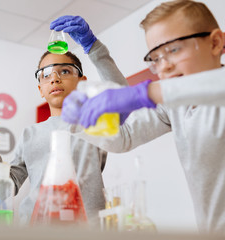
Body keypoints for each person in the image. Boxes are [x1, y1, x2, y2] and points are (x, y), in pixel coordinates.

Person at [53, 0, 225, 234]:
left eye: (173, 49)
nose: (163, 67)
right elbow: (123, 135)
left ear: (215, 43)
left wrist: (146, 92)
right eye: (155, 58)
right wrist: (79, 119)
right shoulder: (175, 108)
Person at [0, 44, 125, 226]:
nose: (55, 79)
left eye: (64, 71)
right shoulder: (30, 134)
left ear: (82, 82)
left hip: (88, 229)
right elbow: (5, 191)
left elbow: (123, 97)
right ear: (40, 89)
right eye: (46, 75)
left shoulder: (96, 123)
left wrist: (96, 49)